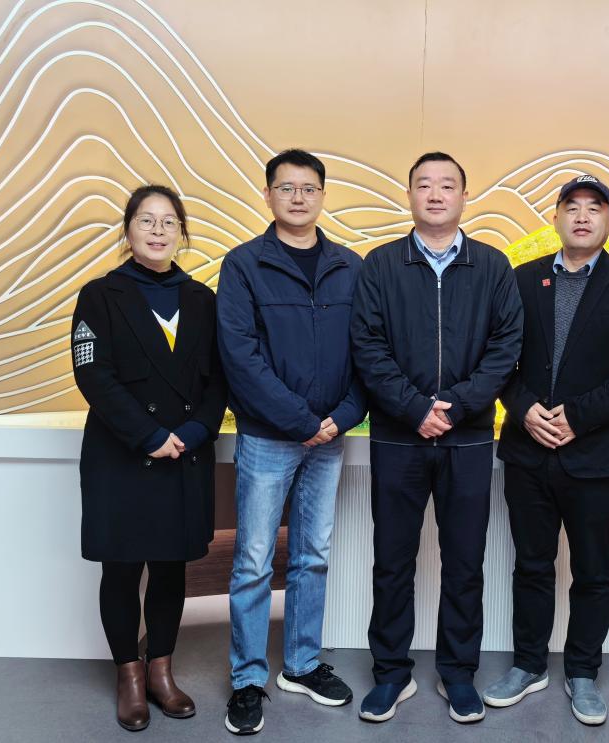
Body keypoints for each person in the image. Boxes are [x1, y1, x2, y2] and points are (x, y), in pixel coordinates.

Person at [350, 152, 522, 724]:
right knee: (392, 561)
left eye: (447, 185)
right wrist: (413, 407)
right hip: (398, 438)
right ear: (410, 196)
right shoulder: (380, 265)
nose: (435, 194)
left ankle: (458, 673)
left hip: (467, 439)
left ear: (464, 196)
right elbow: (367, 346)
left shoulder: (492, 266)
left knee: (465, 561)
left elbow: (506, 347)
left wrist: (460, 405)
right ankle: (390, 673)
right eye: (424, 185)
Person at [485, 175, 609, 725]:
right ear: (557, 218)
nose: (582, 217)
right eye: (572, 207)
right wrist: (523, 409)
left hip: (596, 452)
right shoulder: (522, 279)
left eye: (594, 209)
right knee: (531, 564)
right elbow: (499, 358)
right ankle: (529, 665)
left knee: (592, 569)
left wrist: (577, 417)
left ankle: (583, 672)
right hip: (528, 447)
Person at [217, 149, 366, 735]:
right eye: (286, 188)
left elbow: (368, 351)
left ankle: (301, 665)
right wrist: (302, 421)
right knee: (254, 560)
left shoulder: (350, 266)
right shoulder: (243, 264)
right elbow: (240, 357)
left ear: (322, 196)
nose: (298, 198)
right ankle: (248, 678)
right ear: (268, 195)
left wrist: (342, 417)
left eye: (308, 189)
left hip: (330, 436)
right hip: (268, 438)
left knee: (312, 555)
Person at [72, 184, 227, 732]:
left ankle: (162, 670)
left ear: (181, 233)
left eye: (168, 222)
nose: (158, 231)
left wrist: (193, 430)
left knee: (169, 567)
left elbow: (219, 379)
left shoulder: (202, 299)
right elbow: (93, 375)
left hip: (185, 451)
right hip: (122, 454)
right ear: (128, 230)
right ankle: (129, 677)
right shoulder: (100, 295)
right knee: (121, 568)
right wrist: (149, 435)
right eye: (146, 220)